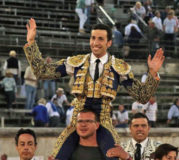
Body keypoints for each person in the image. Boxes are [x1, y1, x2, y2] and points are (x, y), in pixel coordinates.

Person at [24, 18, 164, 159]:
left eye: (100, 39)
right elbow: (42, 71)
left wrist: (152, 73)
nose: (95, 43)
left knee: (113, 157)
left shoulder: (118, 67)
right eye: (93, 38)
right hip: (77, 121)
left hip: (102, 121)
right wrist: (31, 43)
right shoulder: (77, 62)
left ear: (109, 43)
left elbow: (143, 96)